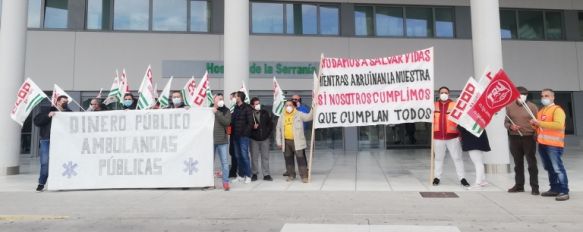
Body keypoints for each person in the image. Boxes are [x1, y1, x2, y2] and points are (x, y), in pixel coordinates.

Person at [530, 88, 570, 201]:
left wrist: (540, 123)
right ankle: (554, 189)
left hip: (554, 145)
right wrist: (534, 124)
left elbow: (559, 125)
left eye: (546, 96)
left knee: (558, 168)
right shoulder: (541, 111)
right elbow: (540, 127)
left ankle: (564, 191)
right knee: (549, 168)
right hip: (543, 144)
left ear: (553, 97)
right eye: (542, 96)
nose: (544, 98)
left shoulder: (557, 110)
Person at [33, 96, 72, 191]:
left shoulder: (69, 113)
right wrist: (48, 116)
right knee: (45, 162)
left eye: (66, 102)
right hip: (47, 140)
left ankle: (59, 182)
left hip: (61, 141)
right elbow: (37, 122)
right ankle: (41, 183)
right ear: (58, 102)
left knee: (61, 162)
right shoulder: (47, 110)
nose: (65, 103)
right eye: (63, 101)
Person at [504, 87, 539, 195]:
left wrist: (536, 135)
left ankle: (535, 187)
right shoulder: (509, 107)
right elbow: (506, 122)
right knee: (518, 163)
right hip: (514, 137)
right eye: (520, 94)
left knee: (531, 163)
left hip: (529, 137)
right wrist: (511, 126)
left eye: (525, 94)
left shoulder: (532, 107)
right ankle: (519, 186)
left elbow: (538, 123)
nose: (522, 96)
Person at [432, 86, 470, 187]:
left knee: (457, 158)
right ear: (438, 94)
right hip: (438, 137)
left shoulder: (455, 105)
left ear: (448, 94)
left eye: (445, 92)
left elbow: (462, 119)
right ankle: (437, 177)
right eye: (441, 92)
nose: (443, 94)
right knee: (438, 158)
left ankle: (462, 178)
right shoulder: (433, 106)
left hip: (453, 137)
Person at [276, 99, 313, 183]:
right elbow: (278, 129)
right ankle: (291, 175)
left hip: (297, 141)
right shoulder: (282, 116)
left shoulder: (299, 114)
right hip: (286, 141)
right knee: (288, 159)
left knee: (300, 159)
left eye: (290, 105)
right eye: (286, 105)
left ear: (294, 106)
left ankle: (304, 176)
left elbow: (309, 117)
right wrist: (279, 141)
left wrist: (313, 108)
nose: (288, 107)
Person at [231, 91, 253, 183]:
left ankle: (248, 175)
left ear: (240, 97)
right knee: (237, 156)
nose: (234, 98)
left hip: (243, 136)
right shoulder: (235, 107)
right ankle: (240, 175)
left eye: (235, 96)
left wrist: (245, 133)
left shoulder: (247, 108)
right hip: (235, 136)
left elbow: (250, 123)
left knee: (244, 156)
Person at [249, 97, 274, 181]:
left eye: (258, 103)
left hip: (265, 139)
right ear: (252, 105)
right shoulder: (249, 114)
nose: (258, 105)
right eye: (256, 104)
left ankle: (266, 174)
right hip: (254, 139)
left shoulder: (265, 112)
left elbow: (270, 124)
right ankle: (254, 173)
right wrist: (252, 127)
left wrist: (267, 134)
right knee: (254, 157)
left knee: (265, 157)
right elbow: (246, 126)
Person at [212, 94, 232, 191]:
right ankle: (209, 182)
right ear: (214, 100)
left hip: (222, 140)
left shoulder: (226, 110)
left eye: (222, 99)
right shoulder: (208, 110)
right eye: (219, 99)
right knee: (209, 162)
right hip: (210, 141)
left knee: (224, 162)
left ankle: (225, 182)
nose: (221, 101)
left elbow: (227, 122)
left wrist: (217, 113)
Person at [227, 92, 238, 178]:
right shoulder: (230, 110)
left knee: (237, 154)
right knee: (233, 153)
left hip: (239, 135)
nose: (231, 100)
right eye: (230, 99)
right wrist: (228, 132)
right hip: (232, 135)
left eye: (232, 98)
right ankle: (233, 170)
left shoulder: (239, 109)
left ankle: (235, 171)